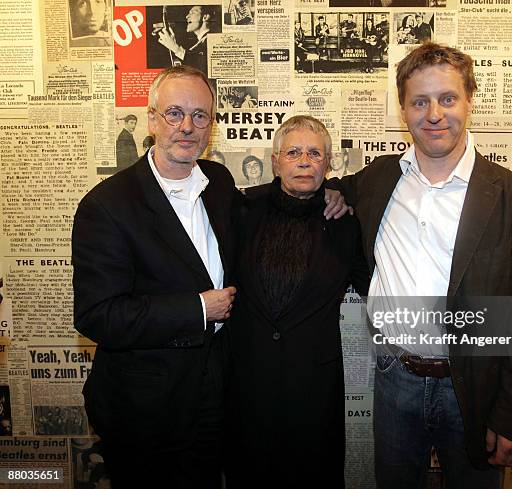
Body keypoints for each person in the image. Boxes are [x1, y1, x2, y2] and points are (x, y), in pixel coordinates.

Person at [329, 43, 512, 489]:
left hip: (474, 388)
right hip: (394, 379)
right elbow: (334, 187)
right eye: (420, 101)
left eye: (447, 98)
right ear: (403, 110)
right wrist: (333, 191)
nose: (434, 114)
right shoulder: (379, 179)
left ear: (469, 101)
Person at [72, 65, 239, 489]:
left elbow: (260, 210)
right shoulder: (107, 205)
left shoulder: (218, 182)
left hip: (213, 397)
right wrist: (199, 308)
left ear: (211, 125)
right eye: (174, 113)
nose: (188, 127)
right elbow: (98, 315)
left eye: (200, 116)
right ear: (151, 119)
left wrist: (330, 194)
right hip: (145, 410)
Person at [226, 115, 369, 489]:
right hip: (248, 383)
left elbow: (375, 285)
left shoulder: (347, 224)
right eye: (293, 152)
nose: (304, 161)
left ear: (328, 162)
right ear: (275, 161)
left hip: (314, 388)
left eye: (314, 153)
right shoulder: (241, 212)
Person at [157, 6, 215, 75]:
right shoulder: (200, 43)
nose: (187, 16)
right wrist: (173, 45)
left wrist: (175, 48)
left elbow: (202, 68)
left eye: (192, 13)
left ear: (205, 17)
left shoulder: (212, 40)